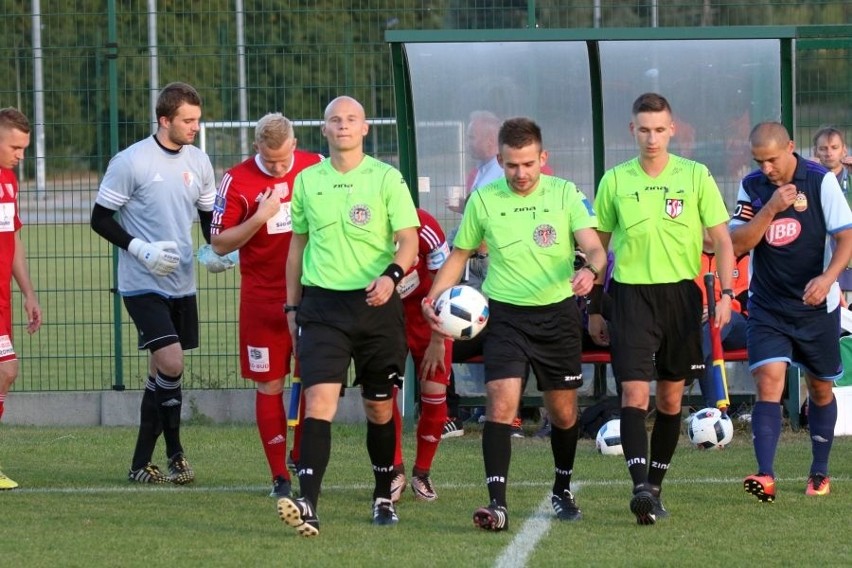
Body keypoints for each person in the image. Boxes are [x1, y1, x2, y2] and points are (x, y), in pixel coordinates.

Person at [422, 117, 607, 531]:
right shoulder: (484, 200)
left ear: (543, 158)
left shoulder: (564, 194)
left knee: (563, 414)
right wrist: (433, 299)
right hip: (504, 316)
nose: (520, 174)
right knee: (500, 406)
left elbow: (594, 247)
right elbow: (459, 256)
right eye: (511, 165)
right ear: (500, 161)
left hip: (558, 316)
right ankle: (497, 504)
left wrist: (590, 272)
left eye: (527, 164)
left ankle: (561, 489)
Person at [277, 95, 419, 536]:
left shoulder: (386, 178)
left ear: (364, 129)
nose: (343, 126)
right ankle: (309, 504)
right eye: (335, 120)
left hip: (376, 306)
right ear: (324, 130)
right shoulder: (307, 181)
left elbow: (409, 241)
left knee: (379, 408)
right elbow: (297, 246)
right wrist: (291, 304)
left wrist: (391, 277)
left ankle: (383, 495)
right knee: (319, 402)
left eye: (351, 119)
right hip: (322, 309)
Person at [593, 92, 734, 525]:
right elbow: (598, 246)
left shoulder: (695, 176)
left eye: (659, 129)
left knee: (671, 398)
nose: (651, 138)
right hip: (631, 296)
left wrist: (727, 295)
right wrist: (597, 306)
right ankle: (638, 486)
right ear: (631, 130)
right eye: (644, 129)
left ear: (671, 130)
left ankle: (655, 487)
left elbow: (724, 240)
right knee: (634, 394)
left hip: (680, 298)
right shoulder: (614, 180)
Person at [91, 82, 216, 485]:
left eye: (197, 119)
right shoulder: (131, 161)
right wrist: (140, 249)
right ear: (165, 120)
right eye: (188, 120)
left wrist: (219, 251)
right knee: (172, 362)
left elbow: (209, 221)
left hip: (182, 283)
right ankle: (177, 453)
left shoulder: (199, 162)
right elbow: (100, 219)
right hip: (141, 282)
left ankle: (140, 464)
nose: (195, 126)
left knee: (162, 374)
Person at [731, 122, 852, 502]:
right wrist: (770, 207)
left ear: (791, 148)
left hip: (816, 306)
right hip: (768, 306)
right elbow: (738, 243)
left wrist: (828, 278)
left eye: (772, 159)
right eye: (759, 160)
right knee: (769, 382)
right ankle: (765, 475)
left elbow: (846, 238)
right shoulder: (752, 186)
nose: (767, 168)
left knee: (819, 388)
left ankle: (819, 472)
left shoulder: (820, 181)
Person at [209, 113, 322, 498]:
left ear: (294, 145)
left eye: (284, 159)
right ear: (256, 146)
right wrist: (260, 216)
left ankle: (301, 457)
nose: (278, 167)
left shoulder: (315, 166)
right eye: (269, 160)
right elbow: (219, 243)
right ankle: (279, 477)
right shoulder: (236, 180)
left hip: (312, 295)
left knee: (314, 381)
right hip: (262, 301)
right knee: (269, 383)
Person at [389, 208, 453, 503]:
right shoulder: (362, 225)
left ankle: (422, 473)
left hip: (428, 316)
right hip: (384, 318)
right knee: (381, 395)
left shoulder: (425, 225)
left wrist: (439, 338)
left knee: (434, 392)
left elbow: (446, 281)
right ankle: (393, 470)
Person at [0, 108, 43, 490]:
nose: (20, 154)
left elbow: (11, 242)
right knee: (6, 370)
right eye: (15, 146)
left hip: (3, 302)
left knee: (5, 372)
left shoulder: (9, 182)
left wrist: (28, 293)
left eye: (24, 147)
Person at [696, 230, 749, 409]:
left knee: (717, 323)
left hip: (738, 325)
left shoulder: (740, 254)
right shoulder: (687, 255)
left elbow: (747, 296)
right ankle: (714, 412)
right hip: (700, 326)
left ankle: (687, 367)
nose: (709, 229)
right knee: (710, 342)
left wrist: (720, 308)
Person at [812, 127, 852, 301]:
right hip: (820, 267)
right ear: (815, 152)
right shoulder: (810, 181)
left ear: (844, 150)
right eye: (823, 149)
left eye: (834, 148)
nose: (829, 153)